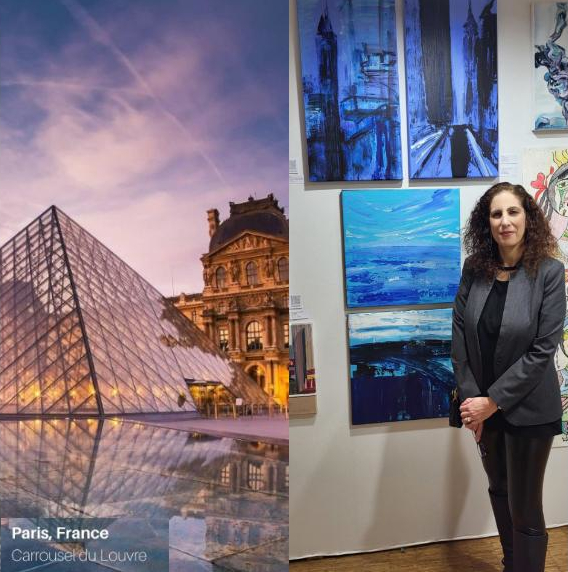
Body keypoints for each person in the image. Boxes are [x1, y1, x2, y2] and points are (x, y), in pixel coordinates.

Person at [451, 182, 566, 572]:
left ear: (527, 218)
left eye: (513, 212)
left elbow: (541, 351)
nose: (505, 221)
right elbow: (459, 334)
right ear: (487, 223)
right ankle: (511, 565)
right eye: (496, 214)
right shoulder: (475, 269)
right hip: (481, 407)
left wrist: (492, 402)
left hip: (530, 407)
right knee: (498, 490)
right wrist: (472, 403)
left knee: (524, 503)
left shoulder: (549, 272)